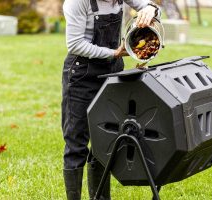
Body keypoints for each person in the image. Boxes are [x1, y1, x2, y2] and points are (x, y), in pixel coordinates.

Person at [62, 0, 160, 199]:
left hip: (112, 72)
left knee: (104, 141)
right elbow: (74, 44)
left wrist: (152, 10)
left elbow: (150, 7)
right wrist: (114, 53)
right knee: (76, 143)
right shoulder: (77, 2)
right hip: (82, 74)